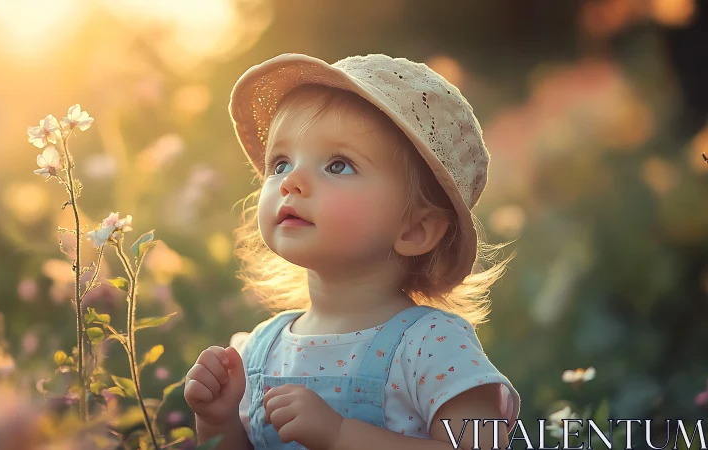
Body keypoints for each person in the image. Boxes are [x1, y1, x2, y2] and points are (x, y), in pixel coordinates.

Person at [184, 53, 521, 450]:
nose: (291, 181)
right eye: (280, 164)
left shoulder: (430, 345)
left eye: (339, 165)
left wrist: (343, 435)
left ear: (415, 229)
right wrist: (218, 420)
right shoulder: (259, 349)